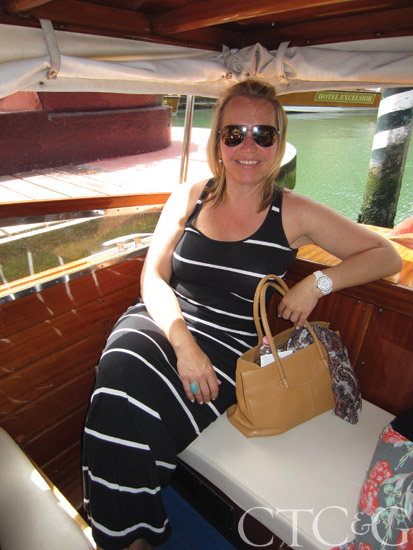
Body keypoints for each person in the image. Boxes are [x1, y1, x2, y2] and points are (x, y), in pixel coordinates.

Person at [82, 78, 402, 550]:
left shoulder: (293, 212)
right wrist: (183, 345)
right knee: (119, 376)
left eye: (263, 135)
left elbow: (385, 255)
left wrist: (318, 283)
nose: (248, 147)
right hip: (164, 320)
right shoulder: (191, 195)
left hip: (228, 347)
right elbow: (153, 277)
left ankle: (123, 535)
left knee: (131, 409)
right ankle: (130, 538)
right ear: (218, 141)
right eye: (234, 134)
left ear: (279, 142)